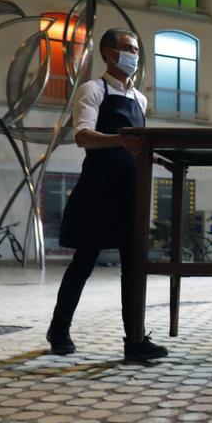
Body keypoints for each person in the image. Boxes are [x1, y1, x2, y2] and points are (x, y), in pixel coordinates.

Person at [46, 28, 168, 362]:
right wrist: (119, 140)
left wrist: (155, 157)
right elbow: (83, 136)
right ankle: (58, 330)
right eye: (128, 48)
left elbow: (136, 147)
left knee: (133, 268)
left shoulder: (139, 99)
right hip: (99, 191)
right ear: (109, 54)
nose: (134, 55)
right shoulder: (93, 89)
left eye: (137, 49)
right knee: (82, 263)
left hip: (131, 194)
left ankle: (135, 341)